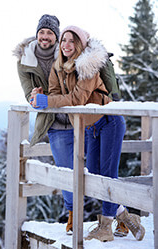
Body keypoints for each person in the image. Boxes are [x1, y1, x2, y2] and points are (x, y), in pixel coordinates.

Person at [30, 25, 145, 242]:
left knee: (108, 174)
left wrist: (50, 102)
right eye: (63, 40)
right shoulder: (58, 66)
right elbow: (56, 94)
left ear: (80, 45)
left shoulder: (89, 65)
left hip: (109, 123)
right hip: (90, 127)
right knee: (93, 177)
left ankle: (105, 227)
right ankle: (128, 218)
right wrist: (43, 96)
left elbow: (78, 98)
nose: (66, 45)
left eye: (71, 41)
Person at [13, 14, 75, 235]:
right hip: (55, 123)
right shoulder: (26, 60)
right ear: (37, 34)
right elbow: (29, 97)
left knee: (96, 170)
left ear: (56, 36)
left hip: (80, 120)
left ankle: (111, 215)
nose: (45, 37)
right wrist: (34, 95)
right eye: (42, 32)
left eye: (49, 33)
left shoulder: (68, 51)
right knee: (67, 171)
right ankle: (72, 215)